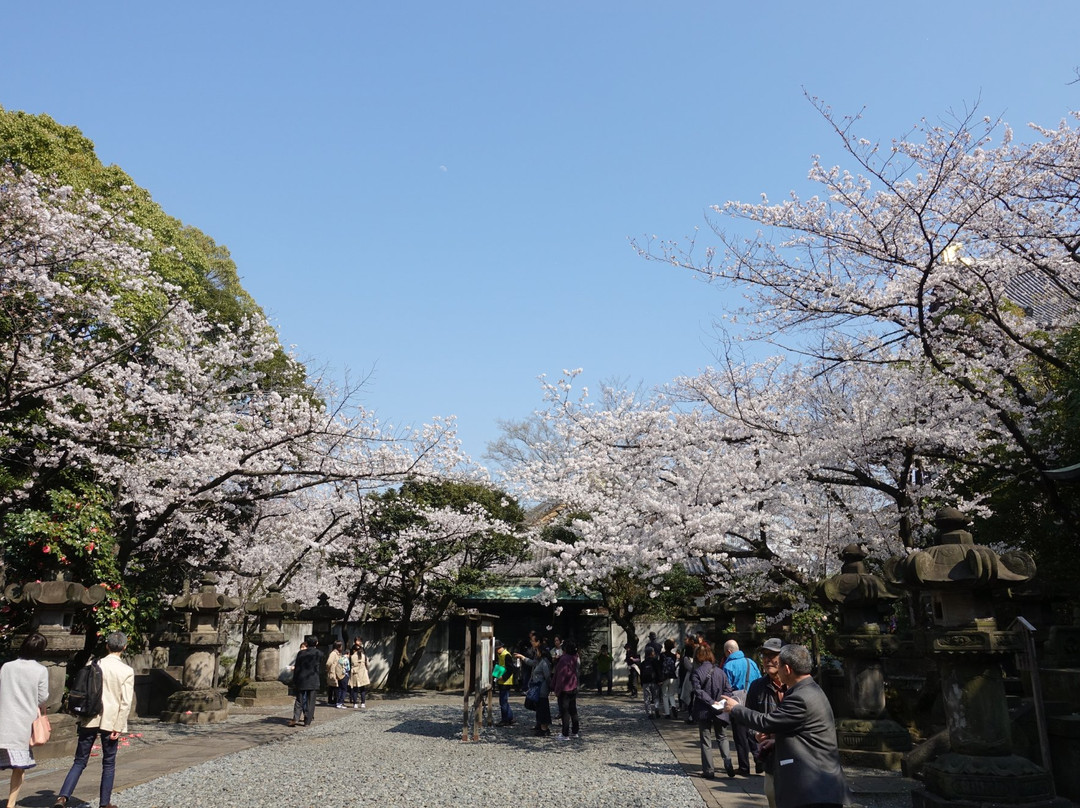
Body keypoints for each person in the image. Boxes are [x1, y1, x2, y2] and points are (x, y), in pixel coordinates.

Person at [720, 644, 850, 808]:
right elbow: (805, 732)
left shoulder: (800, 697)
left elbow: (767, 722)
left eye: (778, 664)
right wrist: (776, 741)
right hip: (818, 782)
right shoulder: (811, 689)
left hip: (814, 785)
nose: (775, 667)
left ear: (787, 669)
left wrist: (736, 708)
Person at [55, 630, 135, 808]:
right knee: (108, 762)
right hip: (111, 720)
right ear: (124, 647)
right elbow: (125, 702)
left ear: (107, 646)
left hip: (90, 715)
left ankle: (62, 796)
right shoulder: (126, 671)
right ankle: (104, 803)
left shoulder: (93, 663)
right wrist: (119, 725)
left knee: (80, 760)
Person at [0, 632, 49, 808]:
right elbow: (43, 698)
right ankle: (11, 804)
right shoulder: (40, 670)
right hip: (23, 724)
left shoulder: (7, 666)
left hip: (3, 719)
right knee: (19, 768)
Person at [745, 638, 787, 808]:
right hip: (770, 757)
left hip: (796, 753)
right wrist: (755, 734)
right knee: (772, 797)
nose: (768, 659)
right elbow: (747, 719)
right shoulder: (757, 687)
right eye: (765, 655)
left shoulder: (796, 685)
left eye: (773, 655)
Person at [691, 642, 735, 780]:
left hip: (704, 710)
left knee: (706, 740)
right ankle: (728, 762)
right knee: (722, 737)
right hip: (719, 711)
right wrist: (720, 702)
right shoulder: (720, 672)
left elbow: (698, 691)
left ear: (697, 657)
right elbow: (728, 690)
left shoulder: (697, 673)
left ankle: (709, 770)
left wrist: (710, 701)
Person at [722, 638, 763, 776]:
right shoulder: (751, 662)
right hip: (753, 701)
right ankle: (759, 761)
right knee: (753, 733)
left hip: (737, 703)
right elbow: (760, 679)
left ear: (729, 651)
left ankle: (744, 767)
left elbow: (726, 687)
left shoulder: (728, 666)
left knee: (740, 737)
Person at [289, 635, 321, 727]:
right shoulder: (319, 653)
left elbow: (297, 667)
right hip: (313, 679)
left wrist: (295, 679)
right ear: (316, 643)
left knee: (299, 700)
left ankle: (296, 718)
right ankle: (307, 720)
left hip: (301, 678)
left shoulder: (301, 653)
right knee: (310, 701)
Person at [552, 640, 580, 740]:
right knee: (573, 710)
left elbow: (560, 676)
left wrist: (556, 689)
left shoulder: (564, 660)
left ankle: (565, 734)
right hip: (573, 686)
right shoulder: (575, 658)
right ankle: (575, 731)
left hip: (564, 688)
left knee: (565, 711)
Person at [527, 646, 553, 736]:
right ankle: (541, 726)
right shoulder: (539, 661)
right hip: (538, 689)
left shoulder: (544, 662)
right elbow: (531, 662)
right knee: (540, 708)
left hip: (542, 688)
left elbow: (547, 676)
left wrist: (550, 687)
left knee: (543, 708)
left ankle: (544, 728)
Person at [494, 639, 515, 726]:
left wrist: (503, 677)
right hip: (501, 680)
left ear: (500, 648)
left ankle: (505, 719)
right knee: (504, 701)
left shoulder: (506, 655)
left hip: (506, 681)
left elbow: (511, 669)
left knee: (503, 701)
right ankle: (510, 717)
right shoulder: (500, 655)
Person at [659, 638, 680, 719]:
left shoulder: (662, 655)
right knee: (671, 694)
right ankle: (674, 706)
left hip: (664, 677)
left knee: (664, 695)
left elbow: (660, 666)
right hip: (673, 676)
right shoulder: (674, 656)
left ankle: (667, 713)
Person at [640, 645, 663, 718]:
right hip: (654, 681)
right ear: (652, 653)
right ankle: (656, 708)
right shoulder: (655, 661)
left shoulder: (643, 663)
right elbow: (658, 671)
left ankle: (649, 713)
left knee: (647, 698)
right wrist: (660, 680)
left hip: (645, 682)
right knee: (656, 696)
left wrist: (641, 682)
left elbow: (641, 673)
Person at [348, 637, 370, 709]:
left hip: (355, 673)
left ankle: (355, 704)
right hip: (362, 672)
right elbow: (368, 664)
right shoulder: (364, 656)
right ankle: (363, 703)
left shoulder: (351, 657)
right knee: (362, 689)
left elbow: (349, 664)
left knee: (355, 689)